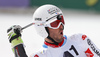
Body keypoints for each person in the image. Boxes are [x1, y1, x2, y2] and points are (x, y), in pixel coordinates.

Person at [7, 4, 100, 57]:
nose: (61, 26)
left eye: (62, 21)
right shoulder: (41, 55)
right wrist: (16, 43)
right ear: (42, 29)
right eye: (55, 23)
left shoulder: (80, 39)